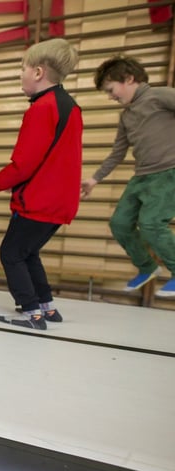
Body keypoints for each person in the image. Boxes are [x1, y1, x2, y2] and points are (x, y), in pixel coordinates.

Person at [0, 38, 82, 330]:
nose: (21, 75)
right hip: (60, 200)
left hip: (40, 202)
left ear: (38, 72)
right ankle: (47, 306)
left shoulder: (42, 108)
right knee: (27, 252)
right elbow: (54, 159)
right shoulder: (71, 106)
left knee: (11, 253)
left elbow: (25, 163)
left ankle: (31, 313)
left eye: (23, 69)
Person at [81, 55, 175, 298]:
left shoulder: (159, 96)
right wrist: (94, 179)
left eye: (111, 90)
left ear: (129, 79)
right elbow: (118, 152)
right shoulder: (126, 116)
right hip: (142, 177)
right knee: (120, 223)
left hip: (168, 173)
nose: (111, 96)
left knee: (152, 223)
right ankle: (147, 266)